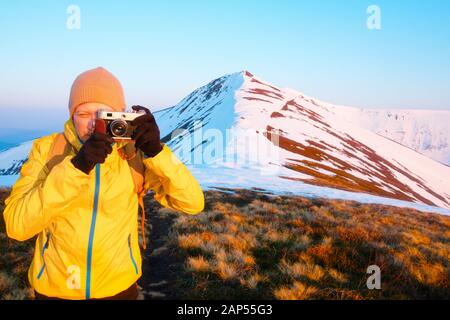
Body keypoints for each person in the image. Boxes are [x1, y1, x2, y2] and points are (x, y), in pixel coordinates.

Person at [2, 67, 205, 300]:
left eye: (103, 115)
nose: (93, 125)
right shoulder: (47, 151)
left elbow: (192, 203)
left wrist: (157, 153)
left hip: (118, 288)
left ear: (120, 115)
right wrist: (76, 168)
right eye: (83, 114)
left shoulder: (133, 155)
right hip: (55, 289)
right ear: (71, 116)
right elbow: (17, 226)